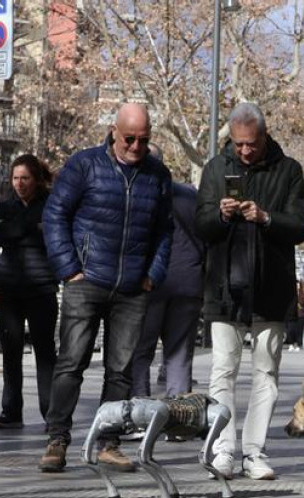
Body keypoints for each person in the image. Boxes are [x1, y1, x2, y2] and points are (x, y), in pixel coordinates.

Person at [38, 103, 173, 472]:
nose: (135, 146)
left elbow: (165, 231)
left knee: (121, 370)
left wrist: (153, 274)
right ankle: (57, 439)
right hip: (86, 281)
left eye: (144, 140)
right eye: (129, 138)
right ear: (114, 131)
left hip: (132, 288)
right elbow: (54, 215)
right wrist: (68, 267)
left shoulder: (158, 176)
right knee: (71, 363)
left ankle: (109, 443)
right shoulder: (84, 165)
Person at [195, 102, 304, 480]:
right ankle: (224, 448)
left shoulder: (288, 170)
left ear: (265, 135)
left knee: (266, 374)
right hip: (224, 288)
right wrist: (221, 214)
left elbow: (300, 228)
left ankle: (255, 452)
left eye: (252, 143)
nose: (245, 151)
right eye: (239, 144)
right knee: (222, 372)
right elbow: (202, 225)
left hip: (271, 288)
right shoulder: (215, 168)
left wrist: (266, 218)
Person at [0, 155, 58, 429]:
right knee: (11, 352)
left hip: (42, 289)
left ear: (37, 180)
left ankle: (51, 414)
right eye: (15, 178)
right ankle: (11, 411)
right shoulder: (6, 205)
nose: (19, 184)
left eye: (25, 178)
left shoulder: (52, 206)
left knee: (45, 352)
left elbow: (50, 236)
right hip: (8, 289)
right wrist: (30, 227)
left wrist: (15, 229)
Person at [131, 181, 204, 398]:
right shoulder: (192, 196)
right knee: (179, 356)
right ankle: (179, 419)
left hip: (150, 282)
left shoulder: (141, 192)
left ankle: (140, 413)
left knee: (140, 352)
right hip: (189, 282)